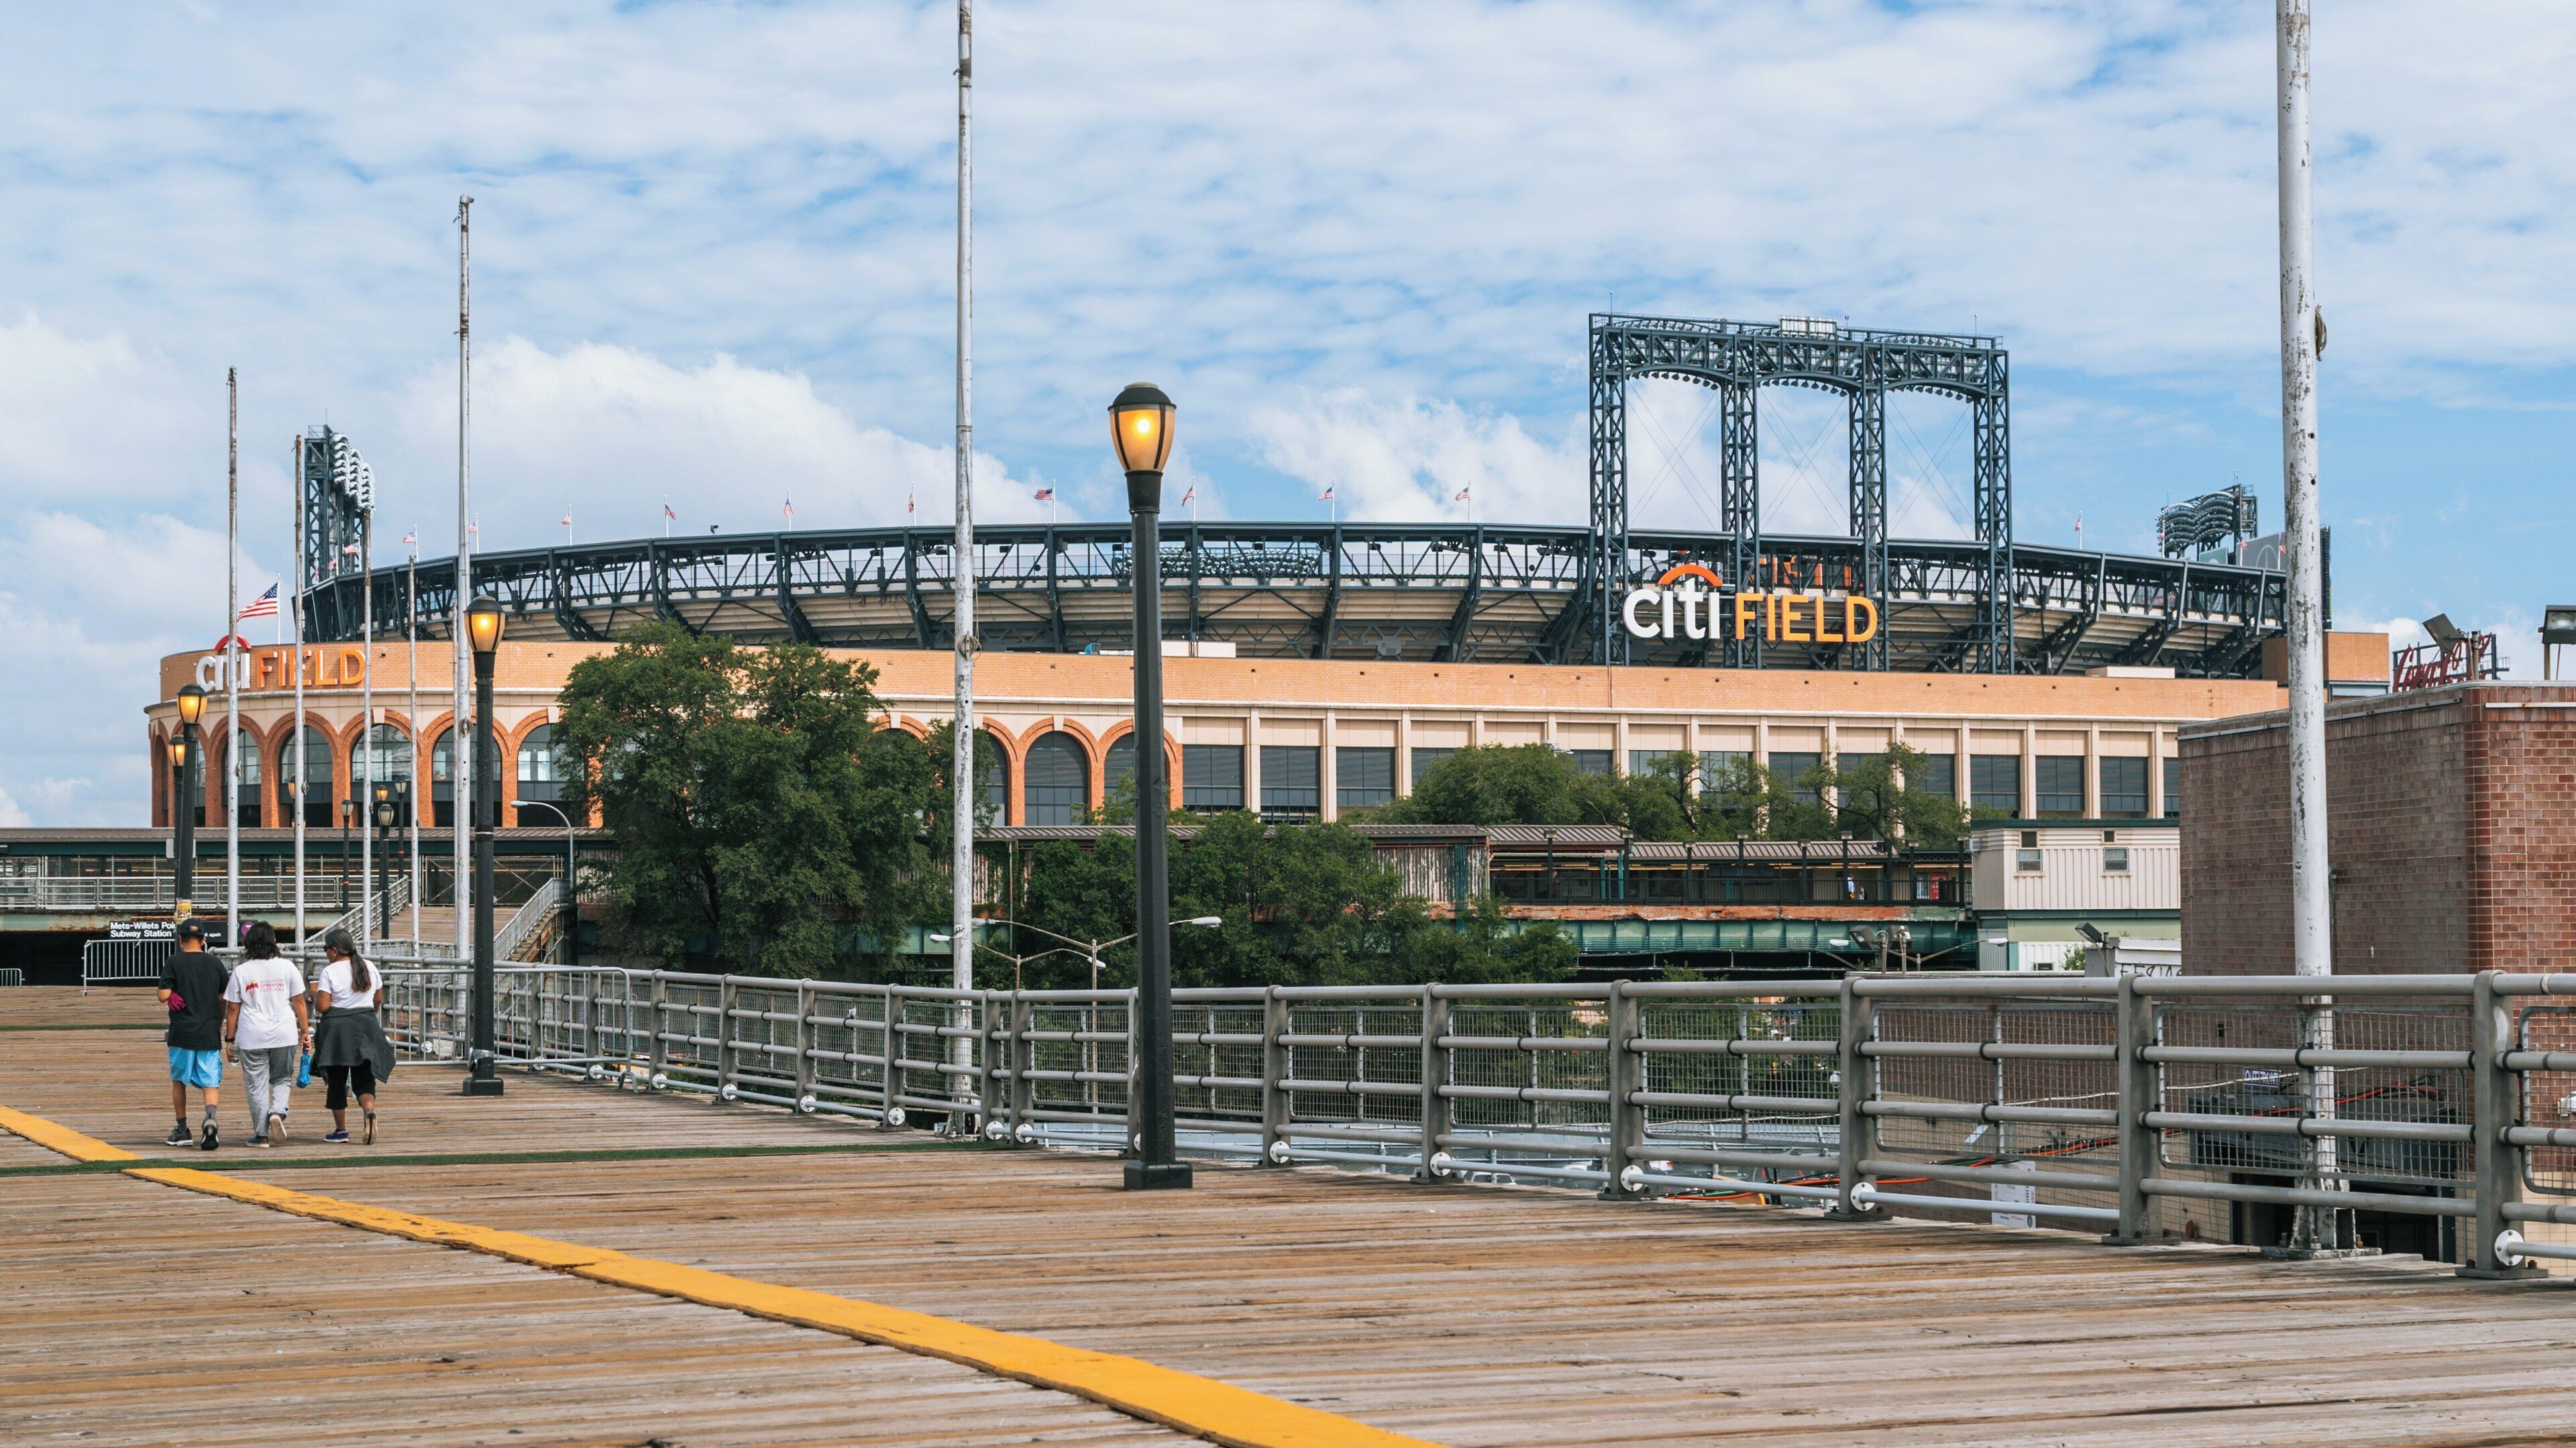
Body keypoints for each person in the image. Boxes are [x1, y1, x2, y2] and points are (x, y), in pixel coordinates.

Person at [221, 921, 309, 1148]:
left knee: (256, 1085)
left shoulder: (241, 971)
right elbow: (299, 1000)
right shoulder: (288, 967)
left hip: (252, 1036)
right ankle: (278, 1112)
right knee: (281, 1078)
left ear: (248, 944)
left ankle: (261, 1135)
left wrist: (230, 1040)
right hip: (284, 1032)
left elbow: (232, 1008)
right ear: (274, 942)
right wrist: (305, 1031)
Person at [309, 928, 394, 1145]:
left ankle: (341, 1131)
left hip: (338, 1031)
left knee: (337, 1080)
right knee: (364, 1077)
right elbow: (377, 999)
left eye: (326, 950)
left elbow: (323, 1006)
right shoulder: (369, 967)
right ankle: (369, 1111)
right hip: (366, 1025)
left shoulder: (330, 971)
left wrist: (315, 995)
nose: (326, 954)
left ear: (335, 951)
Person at [156, 918, 227, 1150]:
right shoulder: (215, 964)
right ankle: (210, 1119)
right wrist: (219, 1022)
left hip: (182, 1032)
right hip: (208, 1031)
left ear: (180, 940)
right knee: (210, 1081)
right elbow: (223, 998)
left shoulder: (173, 962)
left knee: (179, 1081)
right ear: (204, 940)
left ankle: (183, 1129)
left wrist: (174, 992)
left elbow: (163, 995)